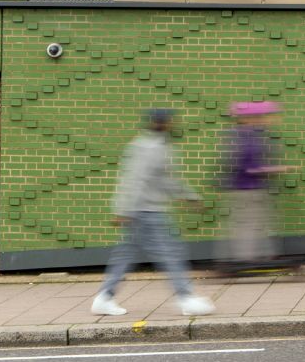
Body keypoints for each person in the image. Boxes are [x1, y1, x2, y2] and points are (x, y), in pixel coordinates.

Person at [89, 108, 214, 317]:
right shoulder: (152, 148)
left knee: (125, 256)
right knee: (171, 253)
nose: (173, 124)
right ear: (162, 123)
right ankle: (186, 298)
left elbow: (164, 179)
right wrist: (123, 210)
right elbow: (137, 180)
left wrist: (187, 196)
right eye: (170, 121)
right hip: (147, 212)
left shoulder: (153, 146)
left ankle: (104, 297)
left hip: (141, 211)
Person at [217, 101, 291, 273]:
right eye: (262, 117)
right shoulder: (248, 139)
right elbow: (250, 168)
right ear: (250, 119)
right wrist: (278, 169)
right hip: (248, 189)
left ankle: (261, 255)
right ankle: (246, 259)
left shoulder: (242, 135)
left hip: (248, 187)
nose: (267, 120)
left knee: (256, 222)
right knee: (250, 224)